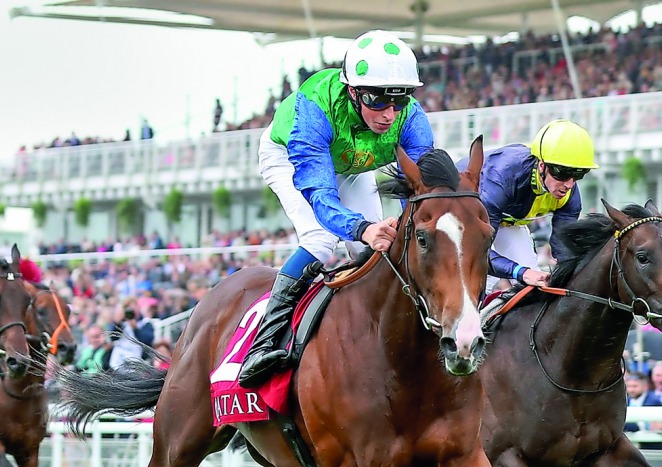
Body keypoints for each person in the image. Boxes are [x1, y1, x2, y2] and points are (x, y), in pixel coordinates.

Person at [238, 30, 433, 387]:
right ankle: (263, 342)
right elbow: (322, 196)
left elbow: (420, 190)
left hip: (352, 165)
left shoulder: (412, 118)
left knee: (379, 249)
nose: (389, 115)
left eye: (399, 102)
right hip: (291, 157)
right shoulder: (315, 108)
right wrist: (362, 228)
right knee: (320, 239)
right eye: (378, 102)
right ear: (354, 91)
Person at [459, 119, 598, 292]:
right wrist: (520, 272)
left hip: (502, 221)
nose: (569, 184)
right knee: (479, 283)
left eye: (579, 175)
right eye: (563, 174)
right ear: (541, 166)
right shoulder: (502, 178)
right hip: (464, 216)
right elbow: (478, 252)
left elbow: (564, 252)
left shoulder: (569, 196)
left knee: (535, 286)